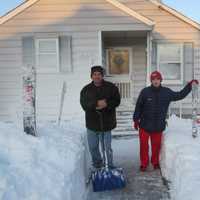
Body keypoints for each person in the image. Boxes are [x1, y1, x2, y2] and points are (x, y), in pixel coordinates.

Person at [133, 71, 198, 171]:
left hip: (158, 125)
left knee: (156, 146)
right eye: (153, 79)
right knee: (144, 146)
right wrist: (136, 119)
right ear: (151, 80)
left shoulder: (166, 92)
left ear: (160, 80)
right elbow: (139, 106)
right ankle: (144, 164)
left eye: (157, 79)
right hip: (144, 125)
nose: (155, 81)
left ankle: (155, 162)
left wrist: (189, 86)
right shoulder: (145, 92)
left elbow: (179, 95)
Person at [80, 66, 121, 169]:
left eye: (99, 74)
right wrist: (96, 104)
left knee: (106, 148)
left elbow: (117, 101)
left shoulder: (111, 87)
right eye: (95, 74)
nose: (97, 76)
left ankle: (109, 166)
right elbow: (84, 104)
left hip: (106, 123)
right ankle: (98, 165)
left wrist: (106, 103)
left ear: (102, 76)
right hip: (92, 124)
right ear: (91, 76)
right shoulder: (86, 90)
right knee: (93, 147)